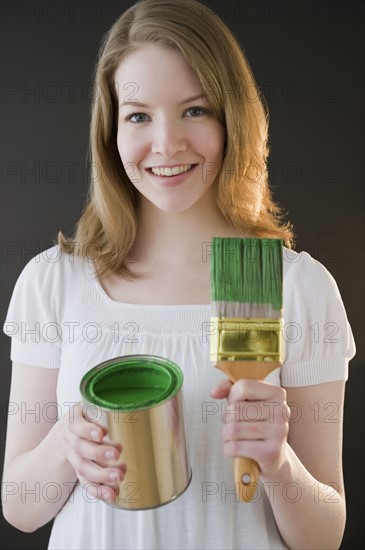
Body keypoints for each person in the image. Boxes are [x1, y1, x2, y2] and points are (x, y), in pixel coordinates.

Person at [2, 0, 356, 548]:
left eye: (195, 110)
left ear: (232, 118)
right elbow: (19, 510)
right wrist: (63, 448)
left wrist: (280, 464)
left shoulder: (296, 288)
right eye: (139, 115)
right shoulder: (53, 283)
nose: (167, 144)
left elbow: (327, 534)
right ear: (111, 130)